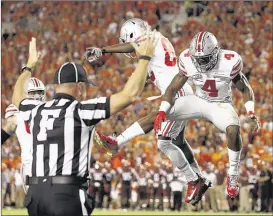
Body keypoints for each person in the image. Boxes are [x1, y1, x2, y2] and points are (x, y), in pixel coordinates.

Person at [12, 33, 157, 216]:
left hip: (35, 195)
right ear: (79, 87)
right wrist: (145, 58)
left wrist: (29, 66)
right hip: (66, 194)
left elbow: (17, 97)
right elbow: (129, 95)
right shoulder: (80, 110)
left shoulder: (36, 110)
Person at [86, 18, 211, 205]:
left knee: (164, 143)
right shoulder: (158, 39)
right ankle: (199, 177)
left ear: (132, 35)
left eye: (128, 40)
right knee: (178, 141)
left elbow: (131, 46)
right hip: (182, 90)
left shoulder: (149, 39)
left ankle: (193, 179)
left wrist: (103, 50)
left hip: (177, 93)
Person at [154, 31, 261, 198]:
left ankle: (233, 173)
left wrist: (250, 110)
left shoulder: (229, 61)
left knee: (233, 129)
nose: (199, 63)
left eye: (203, 59)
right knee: (162, 113)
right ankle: (121, 138)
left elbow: (244, 87)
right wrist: (162, 110)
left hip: (221, 104)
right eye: (197, 59)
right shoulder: (188, 59)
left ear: (215, 53)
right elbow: (172, 88)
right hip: (198, 100)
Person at [3, 77, 46, 193]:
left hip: (49, 165)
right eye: (33, 93)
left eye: (39, 92)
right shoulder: (16, 110)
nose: (37, 96)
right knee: (36, 202)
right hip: (30, 166)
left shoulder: (49, 109)